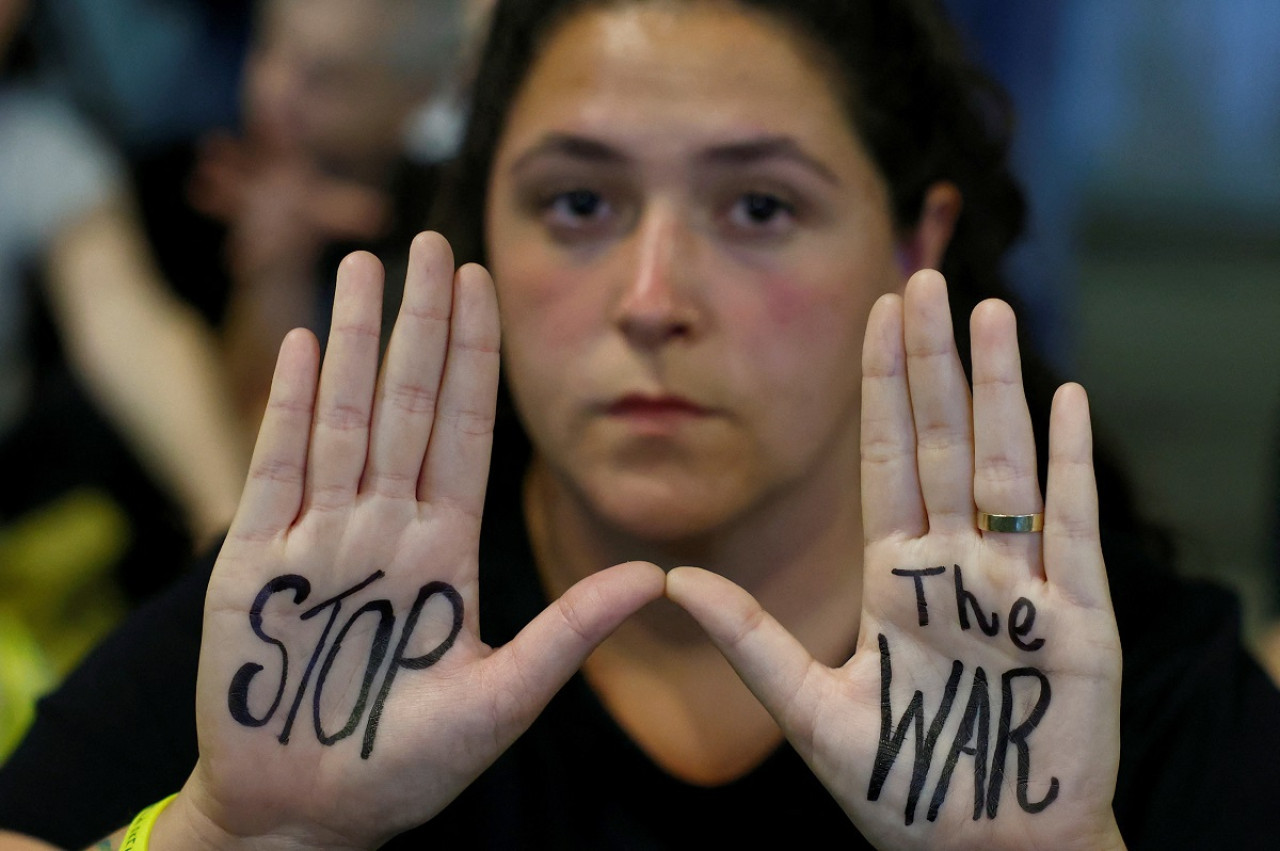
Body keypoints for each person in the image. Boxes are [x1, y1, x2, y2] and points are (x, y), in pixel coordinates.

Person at [1, 0, 1278, 848]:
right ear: (477, 230)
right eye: (575, 203)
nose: (653, 299)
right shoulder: (320, 633)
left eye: (760, 208)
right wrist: (236, 836)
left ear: (913, 245)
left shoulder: (1104, 691)